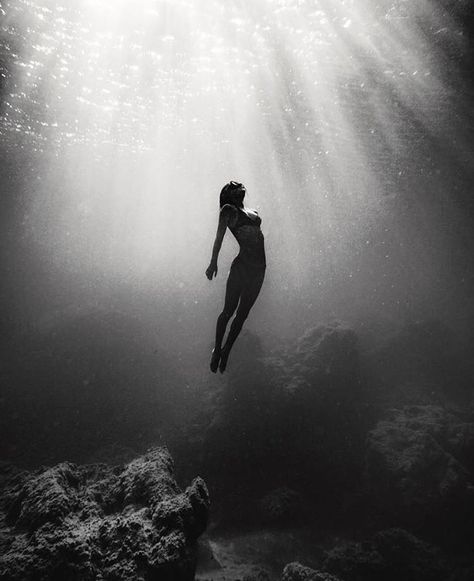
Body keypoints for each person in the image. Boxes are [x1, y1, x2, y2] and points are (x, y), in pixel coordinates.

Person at [206, 181, 266, 373]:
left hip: (259, 270)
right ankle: (217, 349)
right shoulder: (227, 210)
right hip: (242, 267)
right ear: (227, 192)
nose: (239, 184)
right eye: (233, 184)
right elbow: (219, 236)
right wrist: (213, 261)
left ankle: (226, 352)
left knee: (242, 315)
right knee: (228, 311)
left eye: (239, 184)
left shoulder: (253, 211)